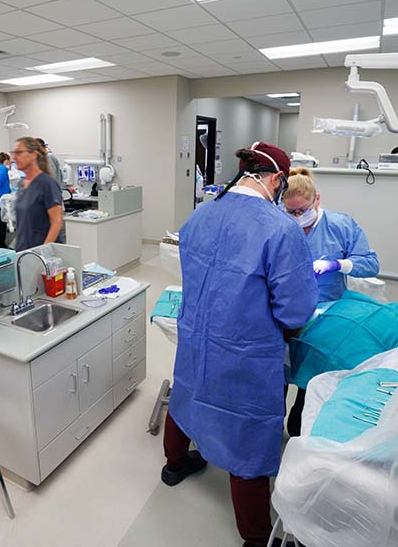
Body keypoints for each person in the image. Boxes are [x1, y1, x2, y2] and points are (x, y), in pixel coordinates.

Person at [163, 141, 318, 547]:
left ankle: (174, 465)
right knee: (247, 433)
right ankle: (254, 537)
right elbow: (296, 311)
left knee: (187, 394)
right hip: (245, 349)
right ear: (277, 179)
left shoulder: (201, 214)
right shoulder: (280, 229)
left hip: (197, 335)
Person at [280, 168, 379, 302]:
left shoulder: (340, 225)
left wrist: (337, 264)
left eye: (303, 210)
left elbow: (370, 265)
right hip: (286, 305)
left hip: (328, 307)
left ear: (317, 199)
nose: (298, 216)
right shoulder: (279, 224)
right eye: (292, 212)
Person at [12, 137, 66, 251]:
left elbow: (56, 223)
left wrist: (41, 253)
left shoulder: (47, 184)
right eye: (13, 153)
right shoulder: (22, 184)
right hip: (23, 252)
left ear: (34, 154)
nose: (14, 157)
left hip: (41, 255)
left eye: (19, 152)